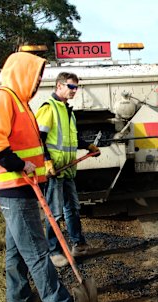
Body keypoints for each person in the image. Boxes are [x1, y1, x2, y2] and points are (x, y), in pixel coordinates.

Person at [0, 52, 74, 302]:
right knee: (36, 249)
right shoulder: (2, 98)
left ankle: (19, 300)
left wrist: (39, 164)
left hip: (22, 185)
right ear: (20, 73)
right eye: (36, 76)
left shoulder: (19, 102)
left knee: (16, 249)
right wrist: (19, 164)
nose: (38, 81)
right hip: (13, 186)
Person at [35, 72, 100, 268]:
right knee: (55, 213)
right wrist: (47, 162)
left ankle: (78, 245)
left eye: (76, 87)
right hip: (54, 171)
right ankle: (54, 252)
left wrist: (88, 146)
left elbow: (73, 138)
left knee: (72, 208)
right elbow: (38, 139)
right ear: (59, 86)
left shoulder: (67, 111)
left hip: (68, 170)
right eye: (71, 87)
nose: (74, 91)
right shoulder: (49, 109)